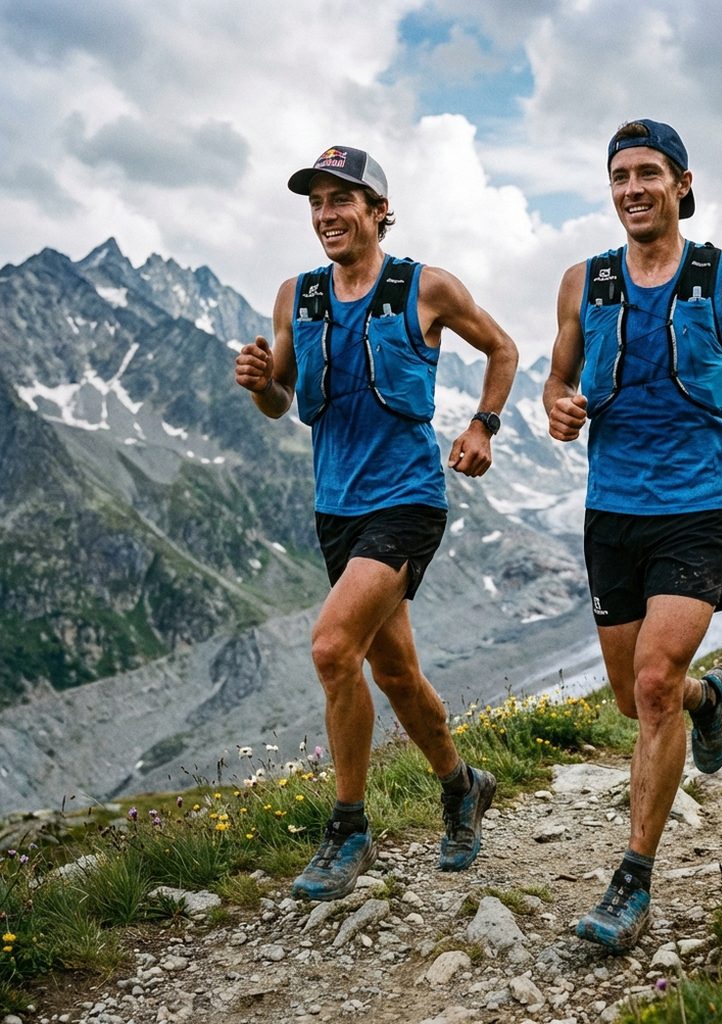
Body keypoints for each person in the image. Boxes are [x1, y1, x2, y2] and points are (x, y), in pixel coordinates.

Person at [544, 119, 722, 952]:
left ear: (682, 184)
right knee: (637, 698)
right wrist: (557, 405)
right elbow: (557, 375)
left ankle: (632, 883)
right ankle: (712, 696)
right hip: (610, 510)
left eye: (648, 173)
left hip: (697, 507)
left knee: (653, 682)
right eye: (619, 176)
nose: (632, 189)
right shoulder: (582, 282)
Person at [235, 144, 519, 900]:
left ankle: (349, 829)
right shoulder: (296, 295)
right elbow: (285, 403)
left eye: (342, 200)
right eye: (316, 203)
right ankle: (462, 786)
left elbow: (502, 347)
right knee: (392, 672)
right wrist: (263, 384)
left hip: (407, 501)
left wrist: (483, 424)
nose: (327, 215)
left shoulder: (426, 288)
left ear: (378, 210)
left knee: (332, 649)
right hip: (337, 509)